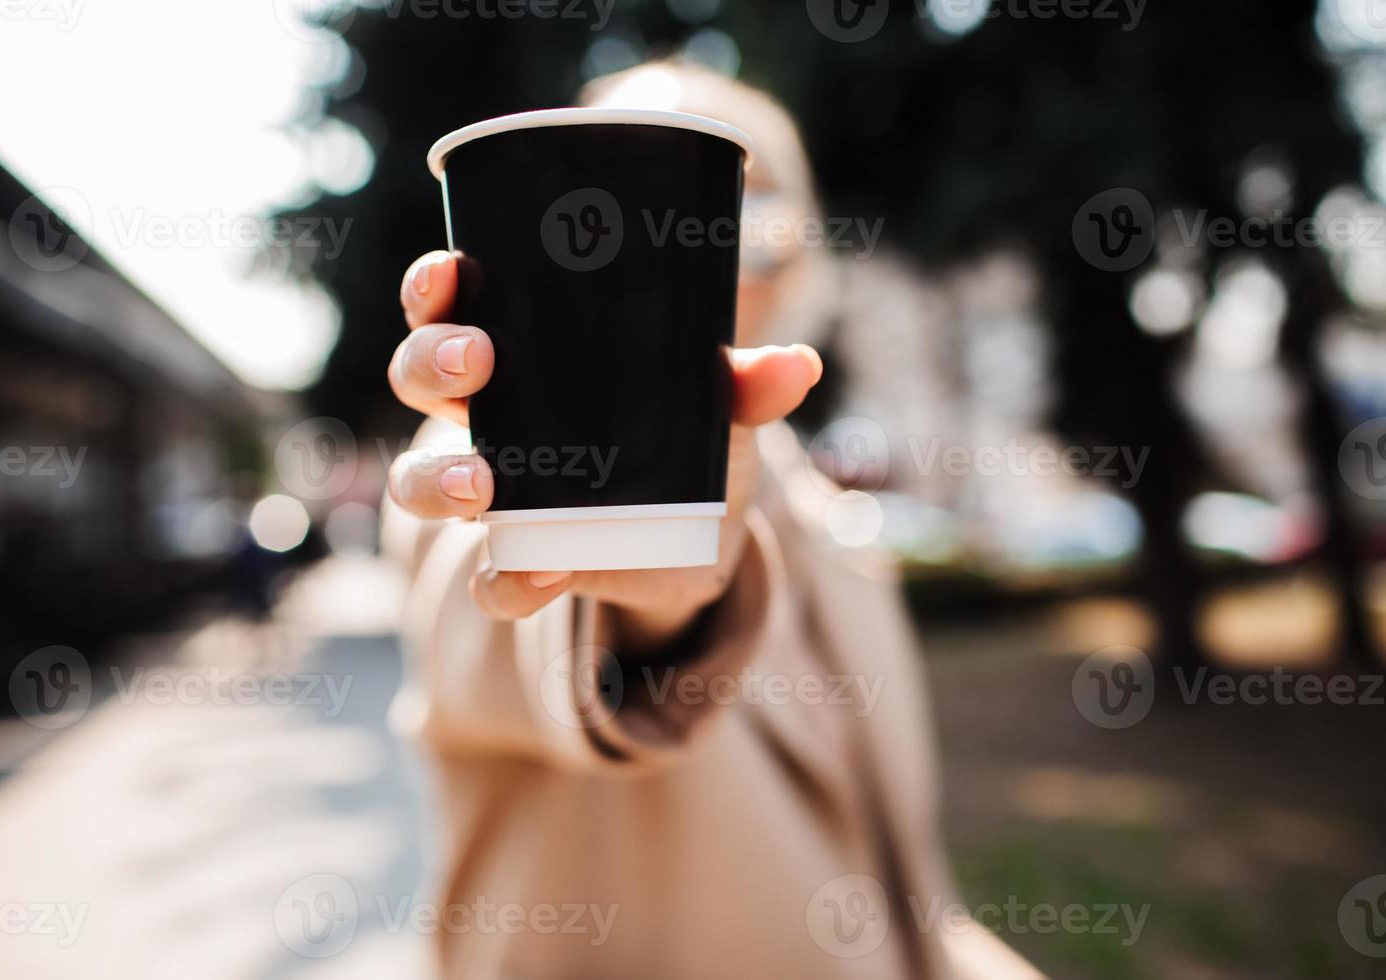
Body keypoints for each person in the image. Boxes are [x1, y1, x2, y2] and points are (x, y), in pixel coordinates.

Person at [381, 61, 1039, 979]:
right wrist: (643, 600)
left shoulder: (836, 526)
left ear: (799, 256)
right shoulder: (483, 459)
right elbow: (515, 640)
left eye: (742, 210)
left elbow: (901, 875)